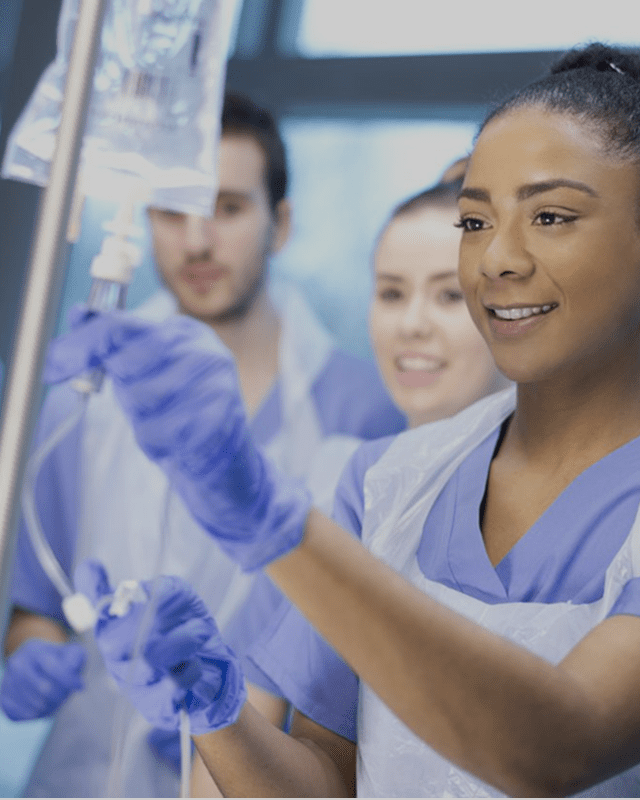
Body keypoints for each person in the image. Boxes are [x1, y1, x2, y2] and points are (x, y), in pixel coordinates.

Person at [40, 41, 640, 797]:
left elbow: (558, 745)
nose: (496, 261)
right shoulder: (389, 481)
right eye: (475, 222)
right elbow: (326, 781)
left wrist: (267, 517)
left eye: (551, 215)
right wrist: (219, 710)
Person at [0, 92, 405, 798]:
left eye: (226, 208)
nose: (195, 242)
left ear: (278, 224)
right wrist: (29, 664)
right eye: (170, 210)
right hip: (81, 774)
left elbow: (365, 662)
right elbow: (40, 608)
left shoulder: (363, 411)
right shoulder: (84, 398)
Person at [187, 171, 510, 792]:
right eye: (391, 293)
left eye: (448, 296)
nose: (411, 324)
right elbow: (226, 758)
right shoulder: (345, 487)